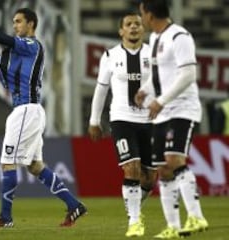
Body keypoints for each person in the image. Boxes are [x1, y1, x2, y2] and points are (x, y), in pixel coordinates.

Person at [0, 8, 87, 228]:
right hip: (28, 111)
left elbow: (5, 40)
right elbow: (5, 61)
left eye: (19, 21)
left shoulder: (32, 45)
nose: (15, 25)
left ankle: (5, 217)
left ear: (31, 24)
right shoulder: (17, 52)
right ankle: (74, 205)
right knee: (35, 166)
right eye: (13, 22)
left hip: (26, 111)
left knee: (7, 162)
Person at [136, 0, 208, 238]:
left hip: (182, 108)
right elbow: (160, 75)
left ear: (149, 14)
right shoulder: (156, 39)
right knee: (163, 168)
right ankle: (174, 227)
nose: (140, 19)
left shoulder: (180, 37)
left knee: (174, 159)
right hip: (163, 111)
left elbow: (188, 75)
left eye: (141, 14)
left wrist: (161, 100)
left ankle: (196, 216)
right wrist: (146, 90)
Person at [88, 12, 157, 237]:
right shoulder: (109, 55)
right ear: (121, 31)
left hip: (149, 121)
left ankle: (134, 207)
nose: (134, 27)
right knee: (132, 168)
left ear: (143, 28)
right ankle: (135, 221)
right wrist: (94, 121)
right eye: (129, 24)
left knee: (150, 177)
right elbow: (101, 89)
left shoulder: (153, 54)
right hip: (121, 119)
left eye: (137, 23)